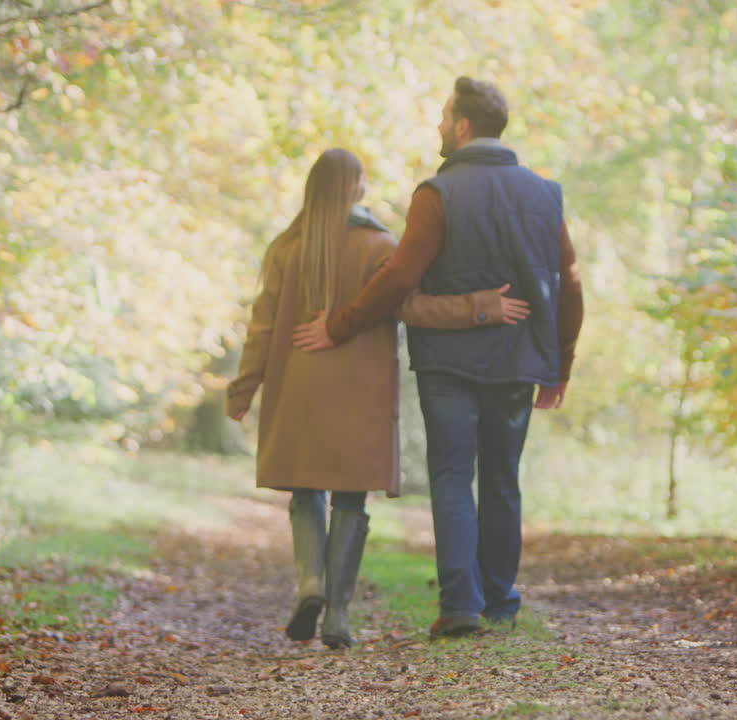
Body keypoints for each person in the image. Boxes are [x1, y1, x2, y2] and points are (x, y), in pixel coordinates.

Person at [293, 77, 584, 638]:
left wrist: (338, 325)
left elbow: (400, 276)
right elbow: (569, 285)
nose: (438, 127)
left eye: (443, 117)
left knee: (452, 476)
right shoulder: (545, 195)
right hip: (518, 361)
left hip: (448, 363)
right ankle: (500, 600)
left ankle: (460, 607)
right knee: (503, 479)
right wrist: (559, 366)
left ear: (464, 126)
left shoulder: (438, 193)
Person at [225, 148, 529, 649]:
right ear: (357, 188)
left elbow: (261, 328)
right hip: (359, 390)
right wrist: (482, 306)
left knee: (306, 492)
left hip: (298, 386)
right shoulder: (380, 245)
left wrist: (244, 388)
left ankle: (310, 584)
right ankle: (338, 616)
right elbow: (415, 307)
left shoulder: (285, 249)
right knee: (350, 498)